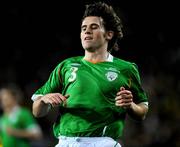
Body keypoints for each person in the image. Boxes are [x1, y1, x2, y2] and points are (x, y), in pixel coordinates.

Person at [31, 2, 148, 147]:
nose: (87, 31)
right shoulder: (66, 66)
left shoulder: (126, 69)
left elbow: (142, 111)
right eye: (83, 28)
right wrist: (43, 100)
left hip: (103, 143)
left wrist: (130, 105)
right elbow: (37, 112)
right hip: (65, 142)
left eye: (94, 27)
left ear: (109, 34)